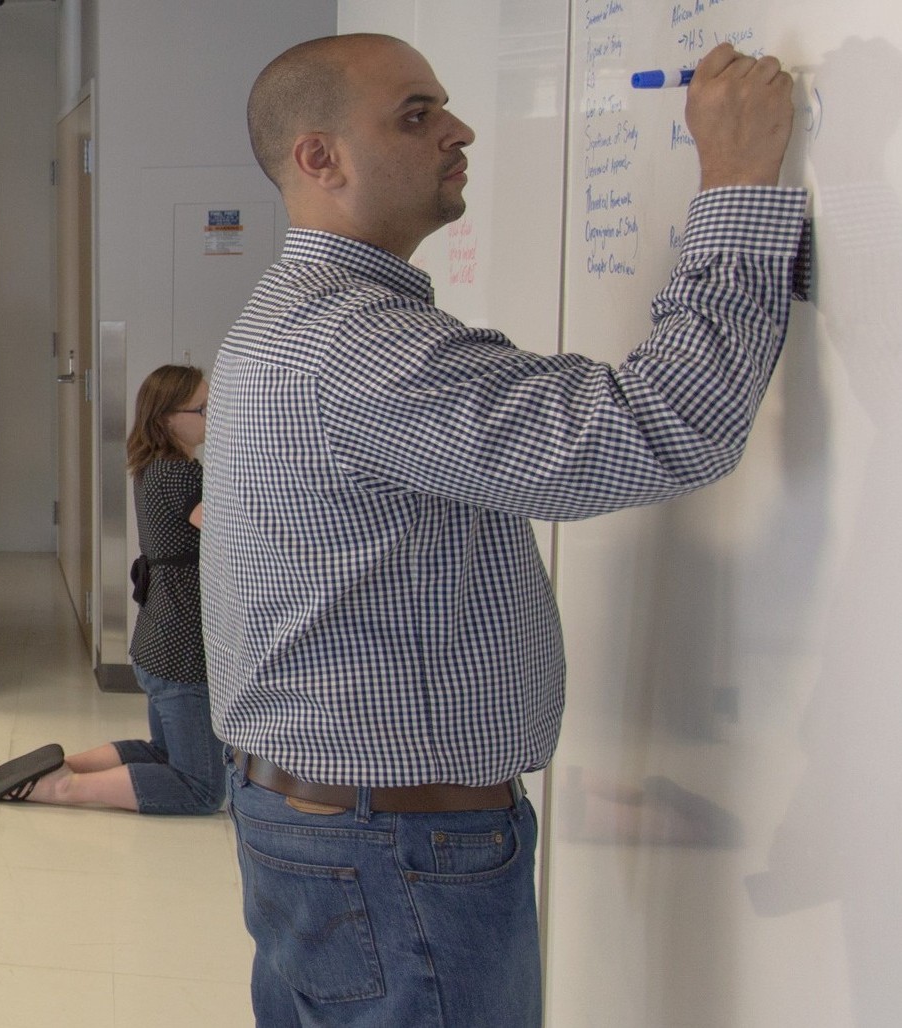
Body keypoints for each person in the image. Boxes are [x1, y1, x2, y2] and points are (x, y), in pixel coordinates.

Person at [202, 36, 804, 1026]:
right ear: (321, 158)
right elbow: (667, 423)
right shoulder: (360, 344)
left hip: (328, 824)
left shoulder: (284, 319)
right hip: (394, 851)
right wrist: (738, 186)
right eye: (415, 114)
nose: (460, 128)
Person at [0, 364, 223, 815]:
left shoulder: (154, 467)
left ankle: (60, 766)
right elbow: (234, 531)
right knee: (202, 789)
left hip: (160, 641)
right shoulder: (182, 474)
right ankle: (64, 787)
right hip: (183, 650)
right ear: (168, 417)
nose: (214, 415)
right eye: (204, 408)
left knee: (162, 752)